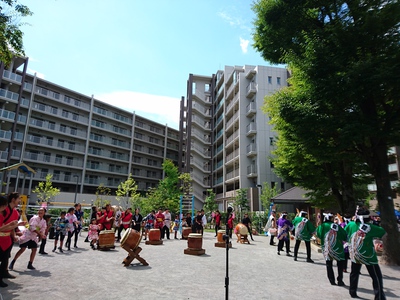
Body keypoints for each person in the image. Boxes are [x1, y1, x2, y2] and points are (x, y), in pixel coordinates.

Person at [345, 208, 387, 299]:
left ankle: (352, 292)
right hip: (368, 255)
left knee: (354, 273)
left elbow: (346, 233)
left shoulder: (351, 225)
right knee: (376, 276)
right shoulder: (372, 227)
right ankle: (379, 296)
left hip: (355, 253)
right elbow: (383, 233)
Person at [316, 212, 347, 286]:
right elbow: (344, 236)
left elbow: (319, 235)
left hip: (327, 248)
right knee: (340, 264)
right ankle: (340, 280)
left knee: (329, 264)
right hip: (338, 248)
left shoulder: (322, 226)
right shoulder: (337, 226)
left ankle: (332, 280)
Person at [0, 194, 23, 287]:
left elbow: (11, 227)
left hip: (8, 237)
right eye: (19, 198)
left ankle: (3, 273)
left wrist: (14, 235)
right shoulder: (3, 210)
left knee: (5, 258)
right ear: (13, 199)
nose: (20, 200)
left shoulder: (16, 213)